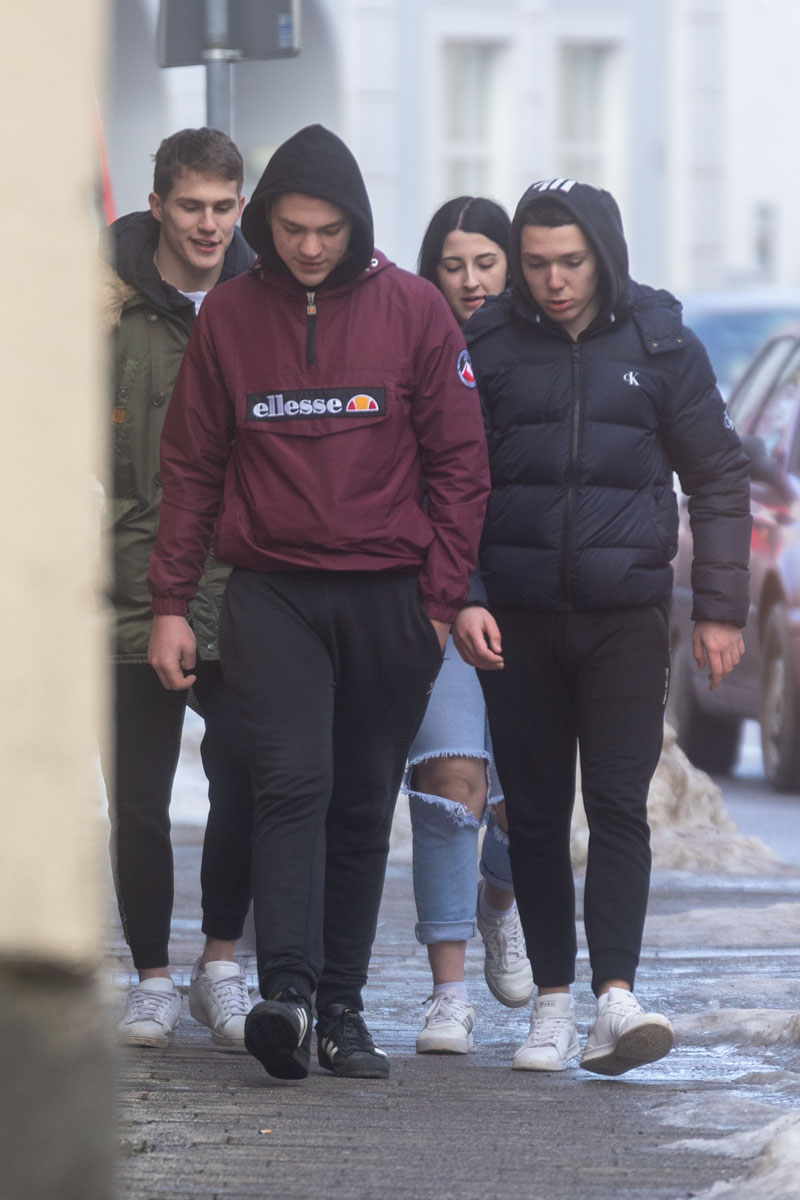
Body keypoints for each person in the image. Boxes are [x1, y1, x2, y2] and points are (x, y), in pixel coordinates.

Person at [146, 124, 490, 1082]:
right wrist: (171, 601)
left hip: (389, 597)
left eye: (328, 231)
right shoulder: (229, 316)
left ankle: (342, 1008)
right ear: (265, 222)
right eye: (291, 229)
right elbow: (192, 467)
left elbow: (462, 465)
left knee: (362, 799)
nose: (308, 247)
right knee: (291, 781)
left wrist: (437, 600)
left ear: (357, 225)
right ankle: (288, 997)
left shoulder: (415, 311)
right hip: (274, 593)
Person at [454, 178, 751, 1075]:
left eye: (571, 262)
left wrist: (720, 610)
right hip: (517, 618)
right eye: (536, 263)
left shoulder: (663, 343)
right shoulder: (489, 344)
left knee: (620, 806)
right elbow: (452, 479)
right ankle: (551, 1004)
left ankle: (615, 1000)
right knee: (537, 814)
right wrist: (466, 593)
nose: (554, 280)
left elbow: (718, 475)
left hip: (626, 616)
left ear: (605, 256)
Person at [102, 127, 255, 1049]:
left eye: (223, 207)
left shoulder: (263, 300)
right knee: (138, 798)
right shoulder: (103, 305)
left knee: (247, 775)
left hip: (243, 585)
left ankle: (220, 965)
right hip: (124, 584)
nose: (207, 225)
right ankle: (152, 977)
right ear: (156, 204)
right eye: (190, 206)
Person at [409, 197, 533, 1055]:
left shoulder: (539, 352)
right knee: (452, 784)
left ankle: (499, 903)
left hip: (531, 598)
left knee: (530, 797)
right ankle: (447, 994)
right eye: (452, 265)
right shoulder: (413, 346)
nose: (470, 279)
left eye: (486, 261)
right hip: (441, 595)